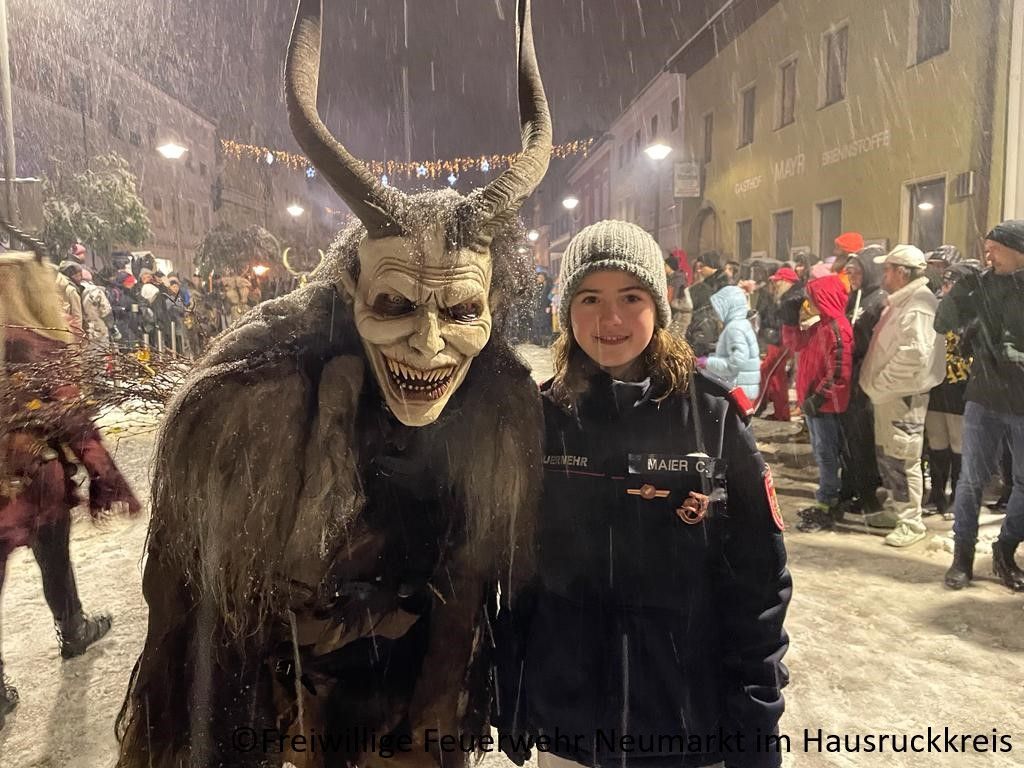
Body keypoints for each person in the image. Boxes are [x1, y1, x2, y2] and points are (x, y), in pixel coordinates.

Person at [117, 2, 552, 764]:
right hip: (301, 708)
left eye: (460, 311)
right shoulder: (258, 406)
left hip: (420, 710)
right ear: (353, 294)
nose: (428, 344)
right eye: (395, 306)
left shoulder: (500, 414)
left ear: (492, 306)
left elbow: (487, 584)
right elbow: (204, 615)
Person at [505, 219, 790, 768]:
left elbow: (759, 581)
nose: (609, 318)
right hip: (570, 727)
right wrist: (514, 694)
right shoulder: (539, 419)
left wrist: (755, 720)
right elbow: (518, 576)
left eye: (630, 297)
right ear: (565, 310)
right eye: (590, 298)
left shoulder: (712, 418)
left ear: (657, 307)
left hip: (686, 726)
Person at [1, 249, 142, 733]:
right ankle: (73, 627)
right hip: (32, 481)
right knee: (54, 556)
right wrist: (109, 479)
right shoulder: (39, 347)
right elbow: (75, 423)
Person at [935, 221, 1024, 590]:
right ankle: (962, 557)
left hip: (1022, 402)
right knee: (971, 481)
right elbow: (943, 324)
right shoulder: (981, 285)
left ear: (1019, 251)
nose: (988, 256)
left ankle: (1006, 548)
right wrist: (958, 293)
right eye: (986, 249)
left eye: (995, 249)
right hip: (983, 398)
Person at [859, 245, 945, 547]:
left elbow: (915, 355)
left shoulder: (919, 304)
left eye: (888, 269)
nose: (884, 275)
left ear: (902, 272)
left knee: (903, 457)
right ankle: (898, 510)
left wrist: (882, 383)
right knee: (890, 455)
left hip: (902, 395)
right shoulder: (904, 300)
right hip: (890, 395)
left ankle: (911, 520)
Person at [782, 275, 853, 533]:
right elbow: (795, 343)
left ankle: (828, 501)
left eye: (812, 298)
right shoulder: (820, 325)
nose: (808, 304)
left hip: (824, 406)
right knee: (821, 451)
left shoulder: (837, 329)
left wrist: (819, 397)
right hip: (815, 404)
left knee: (826, 454)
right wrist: (789, 321)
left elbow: (840, 371)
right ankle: (828, 496)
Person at [837, 246, 887, 515]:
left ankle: (868, 492)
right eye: (849, 272)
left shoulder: (879, 299)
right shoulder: (854, 297)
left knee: (863, 437)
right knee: (849, 437)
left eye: (856, 271)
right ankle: (850, 486)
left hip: (866, 375)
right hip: (850, 376)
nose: (852, 276)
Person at [924, 263, 975, 518]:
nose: (947, 288)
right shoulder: (938, 309)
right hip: (936, 385)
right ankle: (936, 493)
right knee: (937, 441)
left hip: (961, 387)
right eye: (945, 283)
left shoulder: (975, 314)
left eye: (952, 283)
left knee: (959, 444)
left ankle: (958, 496)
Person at [701, 284, 761, 400]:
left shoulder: (734, 329)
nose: (716, 313)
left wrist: (706, 362)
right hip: (743, 387)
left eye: (719, 308)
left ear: (729, 307)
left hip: (737, 389)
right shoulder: (742, 323)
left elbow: (736, 363)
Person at [757, 267, 801, 421]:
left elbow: (783, 322)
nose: (775, 284)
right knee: (776, 375)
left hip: (782, 342)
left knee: (768, 371)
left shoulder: (790, 298)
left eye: (778, 281)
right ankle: (780, 412)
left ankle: (764, 407)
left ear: (786, 281)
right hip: (780, 340)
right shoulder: (785, 296)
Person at [686, 250, 731, 356]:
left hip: (704, 343)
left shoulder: (702, 289)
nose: (699, 270)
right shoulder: (725, 286)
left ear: (713, 267)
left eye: (702, 266)